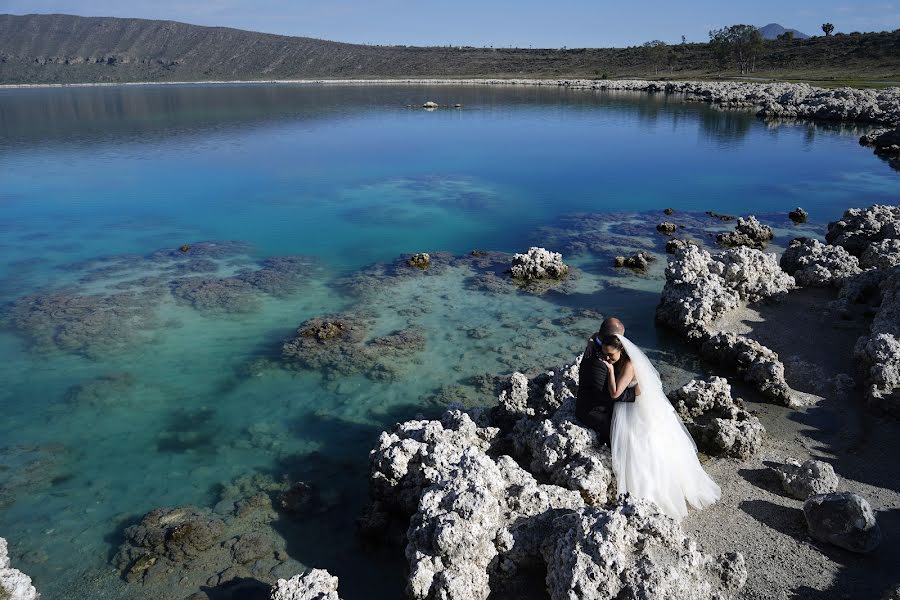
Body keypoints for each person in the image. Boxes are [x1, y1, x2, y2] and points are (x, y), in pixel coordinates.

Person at [600, 333, 721, 521]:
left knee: (641, 447)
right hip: (632, 406)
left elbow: (615, 393)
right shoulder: (622, 360)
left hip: (635, 411)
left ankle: (650, 495)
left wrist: (609, 370)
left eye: (611, 355)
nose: (607, 358)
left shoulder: (629, 365)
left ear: (621, 350)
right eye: (605, 354)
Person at [575, 317, 635, 446]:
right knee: (624, 436)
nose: (622, 341)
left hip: (610, 399)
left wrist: (591, 339)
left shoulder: (600, 343)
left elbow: (597, 334)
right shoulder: (598, 361)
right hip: (593, 410)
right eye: (620, 337)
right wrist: (634, 394)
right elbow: (606, 395)